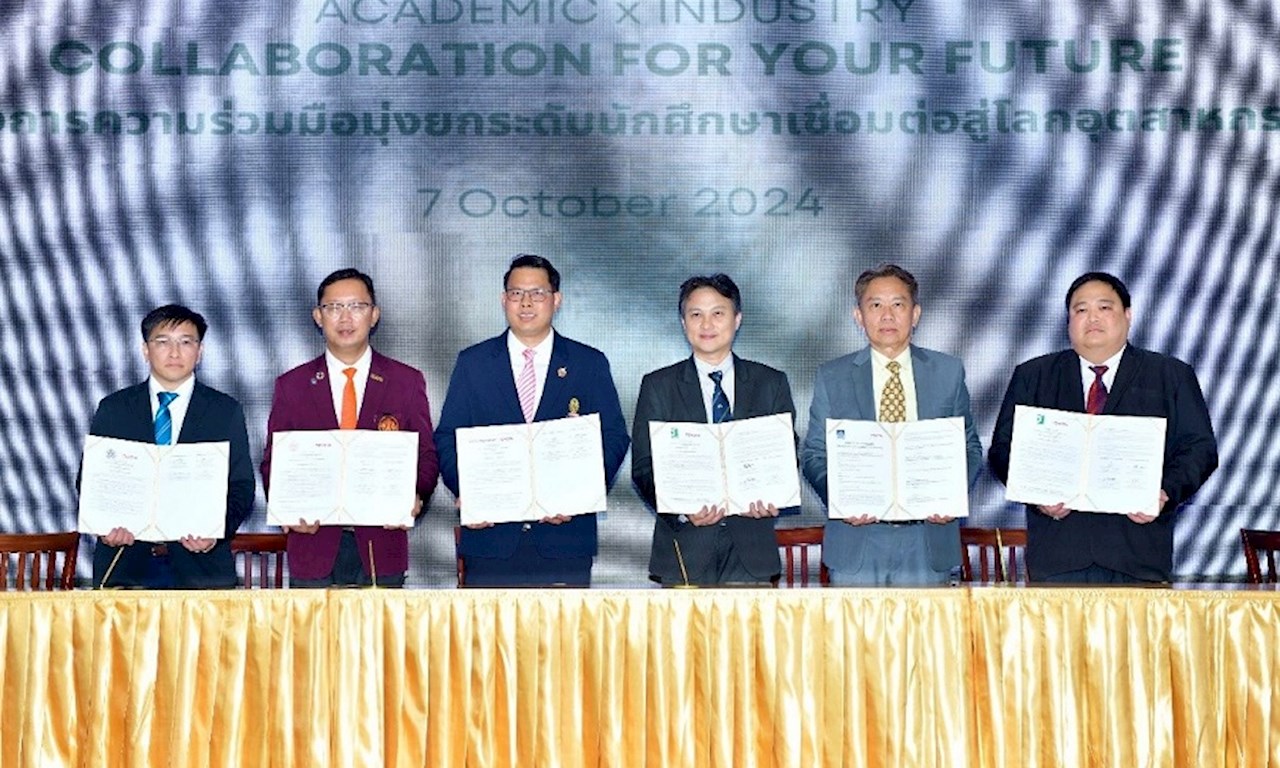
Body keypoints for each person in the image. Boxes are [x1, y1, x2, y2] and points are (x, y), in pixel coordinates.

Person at [988, 271, 1218, 583]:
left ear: (1128, 315)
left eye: (1104, 308)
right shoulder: (1034, 375)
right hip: (1058, 558)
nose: (1092, 318)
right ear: (1068, 321)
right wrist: (1037, 495)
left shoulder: (1170, 375)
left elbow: (1200, 449)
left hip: (1137, 557)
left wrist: (1165, 492)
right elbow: (1003, 450)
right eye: (1080, 310)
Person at [435, 254, 630, 586]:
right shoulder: (473, 363)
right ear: (503, 300)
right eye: (516, 293)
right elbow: (447, 438)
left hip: (565, 540)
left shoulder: (588, 363)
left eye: (538, 293)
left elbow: (613, 437)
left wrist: (580, 496)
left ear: (557, 300)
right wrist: (471, 494)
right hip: (491, 540)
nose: (526, 303)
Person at [801, 264, 982, 586]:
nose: (887, 315)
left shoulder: (948, 372)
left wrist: (951, 496)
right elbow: (814, 454)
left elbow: (970, 448)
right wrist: (842, 500)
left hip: (927, 538)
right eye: (875, 305)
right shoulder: (832, 376)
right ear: (859, 316)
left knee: (928, 623)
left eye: (898, 304)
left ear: (915, 314)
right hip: (857, 539)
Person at [261, 268, 438, 587]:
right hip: (312, 543)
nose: (345, 317)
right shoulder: (292, 385)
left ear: (374, 315)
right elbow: (274, 462)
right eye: (334, 307)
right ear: (318, 316)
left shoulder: (406, 382)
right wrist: (287, 508)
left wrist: (416, 495)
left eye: (356, 306)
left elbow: (426, 457)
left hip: (382, 544)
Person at [631, 274, 796, 585]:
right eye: (696, 314)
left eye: (718, 313)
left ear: (737, 319)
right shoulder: (658, 385)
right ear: (684, 323)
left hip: (752, 549)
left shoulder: (770, 382)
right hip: (684, 547)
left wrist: (772, 495)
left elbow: (786, 455)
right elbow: (642, 467)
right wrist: (680, 509)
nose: (707, 324)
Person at [86, 304, 254, 588]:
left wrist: (215, 531)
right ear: (145, 350)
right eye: (163, 342)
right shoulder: (114, 408)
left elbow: (241, 486)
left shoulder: (224, 410)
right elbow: (91, 481)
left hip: (202, 567)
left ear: (200, 352)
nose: (174, 353)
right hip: (125, 563)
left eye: (186, 342)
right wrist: (104, 526)